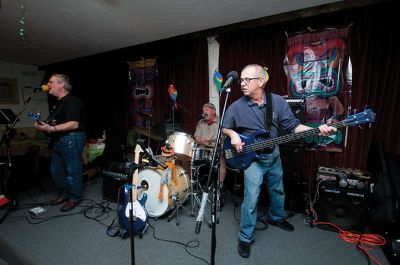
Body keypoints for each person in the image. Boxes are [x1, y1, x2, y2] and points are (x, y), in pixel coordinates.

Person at [222, 64, 336, 258]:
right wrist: (233, 134)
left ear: (261, 81)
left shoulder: (277, 102)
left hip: (273, 154)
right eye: (241, 79)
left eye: (247, 79)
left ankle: (276, 217)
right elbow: (223, 127)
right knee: (250, 200)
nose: (242, 83)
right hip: (252, 159)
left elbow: (294, 126)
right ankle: (245, 237)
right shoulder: (236, 106)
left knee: (277, 188)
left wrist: (317, 129)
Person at [34, 74, 86, 212]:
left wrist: (51, 128)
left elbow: (74, 124)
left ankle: (75, 197)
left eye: (51, 82)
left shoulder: (72, 101)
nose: (48, 85)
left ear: (61, 84)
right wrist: (45, 125)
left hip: (71, 139)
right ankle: (66, 194)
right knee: (56, 171)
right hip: (58, 140)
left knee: (72, 171)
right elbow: (58, 122)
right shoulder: (58, 103)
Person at [194, 103, 227, 194]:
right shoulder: (200, 122)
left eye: (207, 110)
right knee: (188, 157)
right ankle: (191, 184)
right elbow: (197, 137)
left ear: (214, 111)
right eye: (203, 110)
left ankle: (220, 185)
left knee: (221, 160)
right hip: (202, 148)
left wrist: (221, 146)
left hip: (216, 149)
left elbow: (226, 138)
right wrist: (203, 141)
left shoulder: (222, 122)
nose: (204, 112)